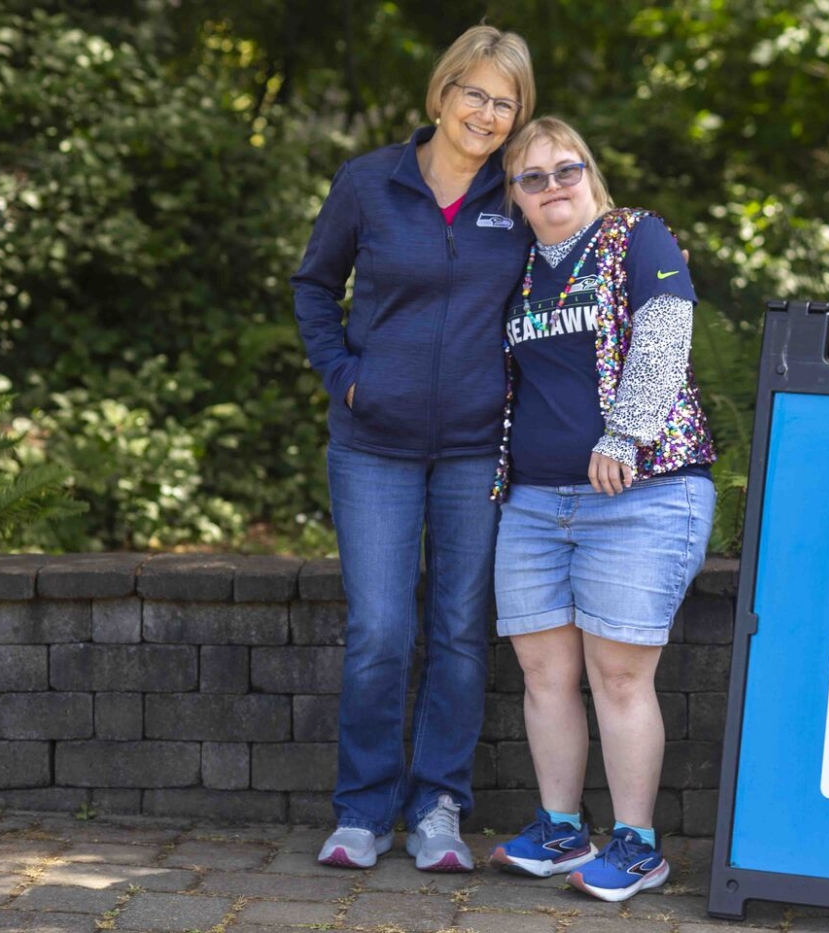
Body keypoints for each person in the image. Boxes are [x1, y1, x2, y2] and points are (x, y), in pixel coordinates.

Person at [289, 26, 535, 872]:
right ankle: (360, 812)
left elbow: (583, 253)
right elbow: (314, 286)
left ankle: (437, 807)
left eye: (506, 103)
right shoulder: (368, 182)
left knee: (464, 627)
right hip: (373, 444)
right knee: (382, 628)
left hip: (476, 447)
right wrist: (346, 376)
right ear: (442, 93)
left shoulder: (520, 194)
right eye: (475, 93)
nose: (488, 113)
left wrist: (650, 255)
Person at [485, 117, 716, 902]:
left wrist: (625, 433)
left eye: (566, 169)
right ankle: (560, 829)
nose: (553, 186)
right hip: (534, 503)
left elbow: (664, 330)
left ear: (591, 173)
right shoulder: (515, 269)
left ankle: (638, 845)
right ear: (512, 195)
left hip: (643, 493)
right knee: (543, 671)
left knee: (618, 675)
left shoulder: (635, 236)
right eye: (532, 177)